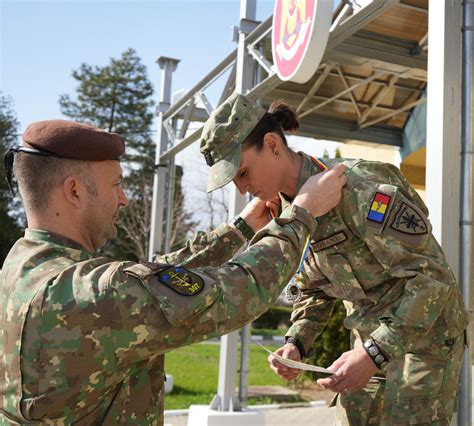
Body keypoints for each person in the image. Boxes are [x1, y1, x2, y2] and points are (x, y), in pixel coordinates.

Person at [0, 119, 346, 424]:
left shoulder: (19, 268)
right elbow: (241, 290)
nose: (124, 199)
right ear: (74, 191)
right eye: (115, 185)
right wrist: (302, 213)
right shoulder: (97, 295)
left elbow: (155, 277)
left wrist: (240, 229)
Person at [199, 92, 468, 425]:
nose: (241, 190)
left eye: (242, 173)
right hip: (369, 343)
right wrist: (297, 341)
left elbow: (432, 278)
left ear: (271, 144)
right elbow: (314, 287)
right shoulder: (289, 213)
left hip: (425, 343)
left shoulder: (359, 190)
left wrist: (375, 353)